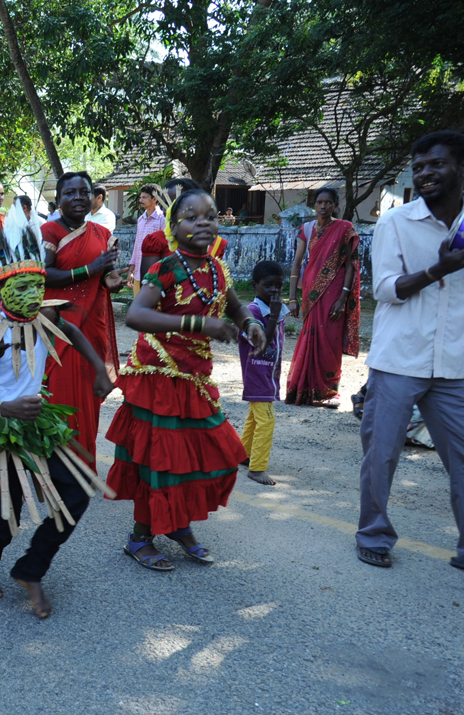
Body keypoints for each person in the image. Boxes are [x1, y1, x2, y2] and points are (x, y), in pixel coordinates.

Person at [0, 230, 113, 619]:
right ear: (0, 290)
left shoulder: (46, 315)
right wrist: (6, 408)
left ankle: (31, 569)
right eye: (22, 287)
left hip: (34, 422)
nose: (34, 295)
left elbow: (72, 331)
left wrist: (98, 368)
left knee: (77, 493)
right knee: (7, 516)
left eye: (38, 285)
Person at [107, 189, 266, 571]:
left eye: (210, 216)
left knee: (207, 454)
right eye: (192, 217)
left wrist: (249, 322)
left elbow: (233, 304)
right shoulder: (166, 267)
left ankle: (178, 524)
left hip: (195, 377)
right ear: (174, 227)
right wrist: (199, 324)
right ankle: (140, 537)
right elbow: (136, 315)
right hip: (159, 377)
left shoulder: (216, 268)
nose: (203, 223)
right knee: (160, 461)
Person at [355, 131, 464, 571]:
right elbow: (384, 289)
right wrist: (438, 269)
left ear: (460, 168)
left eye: (436, 164)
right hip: (399, 358)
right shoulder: (396, 223)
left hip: (456, 362)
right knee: (381, 455)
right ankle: (373, 535)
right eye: (418, 167)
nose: (424, 174)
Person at [39, 172, 128, 468]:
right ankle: (57, 467)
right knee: (61, 391)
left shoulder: (102, 233)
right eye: (70, 193)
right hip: (60, 323)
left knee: (89, 397)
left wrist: (112, 280)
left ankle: (83, 465)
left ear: (93, 197)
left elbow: (105, 275)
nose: (78, 198)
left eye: (84, 192)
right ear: (58, 199)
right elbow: (44, 274)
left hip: (93, 320)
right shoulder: (49, 231)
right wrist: (90, 270)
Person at [284, 187, 361, 408]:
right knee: (310, 337)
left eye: (328, 202)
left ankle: (329, 392)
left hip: (335, 293)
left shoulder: (345, 228)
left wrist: (343, 298)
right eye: (319, 202)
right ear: (314, 205)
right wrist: (292, 298)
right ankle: (302, 390)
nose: (323, 206)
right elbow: (297, 263)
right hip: (311, 293)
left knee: (330, 340)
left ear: (335, 205)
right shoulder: (307, 229)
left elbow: (350, 265)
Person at [238, 261, 288, 486]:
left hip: (268, 374)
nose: (274, 290)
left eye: (279, 286)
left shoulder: (275, 309)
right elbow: (261, 342)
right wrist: (274, 316)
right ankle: (257, 468)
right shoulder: (252, 312)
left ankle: (244, 454)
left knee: (254, 417)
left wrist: (277, 313)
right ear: (254, 285)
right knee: (267, 420)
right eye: (268, 285)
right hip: (257, 375)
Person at [130, 182, 167, 295]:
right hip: (138, 272)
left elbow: (166, 246)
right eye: (141, 197)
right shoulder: (140, 219)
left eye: (145, 197)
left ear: (155, 199)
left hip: (155, 272)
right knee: (137, 302)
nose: (141, 200)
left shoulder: (162, 219)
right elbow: (137, 244)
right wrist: (131, 269)